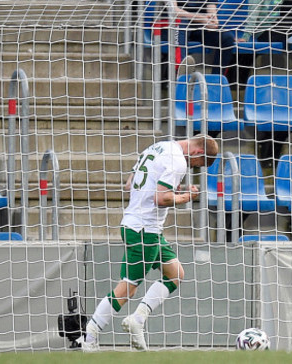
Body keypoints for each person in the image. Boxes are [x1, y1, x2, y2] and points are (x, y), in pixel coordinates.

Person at [81, 134, 219, 352]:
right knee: (128, 288)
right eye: (197, 164)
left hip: (142, 226)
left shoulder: (158, 147)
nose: (193, 167)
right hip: (144, 230)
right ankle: (90, 335)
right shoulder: (178, 161)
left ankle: (138, 319)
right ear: (197, 153)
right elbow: (161, 198)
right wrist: (185, 197)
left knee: (176, 274)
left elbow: (129, 184)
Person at [172, 0, 236, 75]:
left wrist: (212, 20)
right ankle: (181, 72)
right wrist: (201, 18)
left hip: (199, 27)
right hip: (176, 26)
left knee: (227, 38)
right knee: (181, 24)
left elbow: (211, 9)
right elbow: (174, 10)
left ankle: (216, 80)